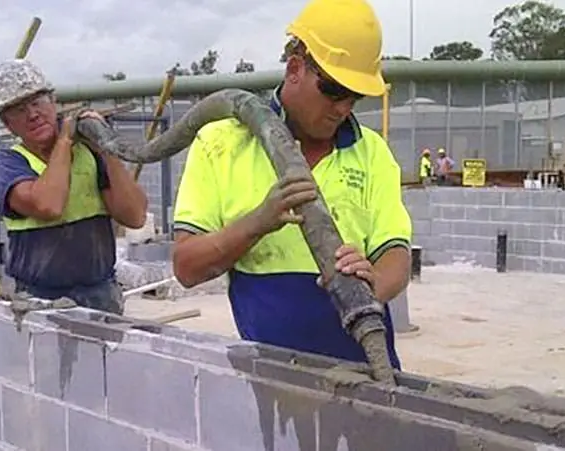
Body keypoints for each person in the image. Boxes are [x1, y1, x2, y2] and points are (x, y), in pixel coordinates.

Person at [171, 0, 412, 369]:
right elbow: (187, 267)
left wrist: (371, 283)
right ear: (296, 67)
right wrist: (258, 222)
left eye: (354, 96)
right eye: (333, 90)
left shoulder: (371, 151)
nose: (343, 108)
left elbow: (396, 253)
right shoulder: (221, 144)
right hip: (273, 382)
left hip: (366, 369)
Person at [0, 59, 148, 314]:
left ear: (53, 102)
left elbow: (135, 216)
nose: (32, 114)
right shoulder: (10, 164)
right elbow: (49, 206)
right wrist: (64, 142)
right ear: (8, 124)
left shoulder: (89, 154)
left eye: (37, 102)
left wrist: (106, 148)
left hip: (101, 295)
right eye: (18, 110)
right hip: (38, 301)